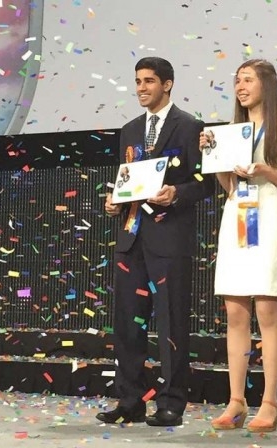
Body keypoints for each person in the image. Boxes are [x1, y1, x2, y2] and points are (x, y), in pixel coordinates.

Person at [96, 56, 214, 426]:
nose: (141, 88)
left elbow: (204, 184)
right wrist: (114, 202)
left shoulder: (190, 126)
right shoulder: (130, 130)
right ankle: (129, 400)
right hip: (132, 237)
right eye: (138, 81)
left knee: (171, 323)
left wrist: (175, 194)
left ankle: (171, 402)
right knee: (128, 324)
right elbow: (127, 181)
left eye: (149, 81)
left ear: (168, 84)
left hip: (170, 238)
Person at [200, 59, 277, 433]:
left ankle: (270, 401)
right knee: (235, 313)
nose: (240, 87)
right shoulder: (232, 130)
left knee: (267, 311)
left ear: (267, 84)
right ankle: (236, 400)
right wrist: (214, 158)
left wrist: (267, 173)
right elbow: (230, 187)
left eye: (248, 79)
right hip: (237, 217)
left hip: (268, 214)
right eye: (237, 81)